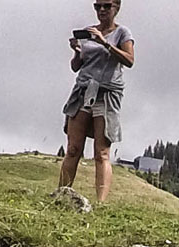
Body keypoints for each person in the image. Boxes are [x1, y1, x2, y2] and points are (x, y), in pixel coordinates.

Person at [56, 0, 135, 205]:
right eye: (97, 6)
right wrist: (76, 51)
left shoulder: (122, 33)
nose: (101, 10)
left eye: (106, 6)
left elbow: (129, 60)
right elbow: (76, 66)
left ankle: (100, 203)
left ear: (116, 8)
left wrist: (105, 43)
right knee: (73, 148)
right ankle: (62, 194)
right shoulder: (88, 32)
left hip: (106, 93)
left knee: (101, 152)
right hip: (83, 91)